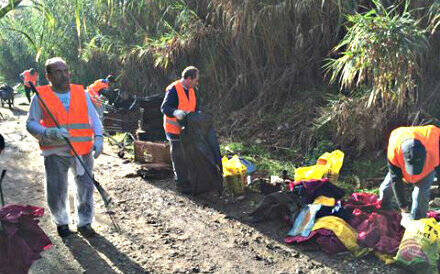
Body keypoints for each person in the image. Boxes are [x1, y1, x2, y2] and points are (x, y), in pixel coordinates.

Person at [26, 57, 103, 238]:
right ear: (48, 76)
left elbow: (95, 119)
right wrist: (48, 132)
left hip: (82, 151)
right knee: (56, 189)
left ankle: (85, 223)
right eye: (58, 72)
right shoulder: (40, 97)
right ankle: (62, 223)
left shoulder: (81, 93)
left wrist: (98, 138)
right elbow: (30, 123)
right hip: (55, 152)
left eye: (66, 71)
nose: (64, 75)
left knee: (85, 188)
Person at [379, 125, 440, 223]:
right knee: (387, 187)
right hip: (400, 166)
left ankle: (417, 222)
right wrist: (404, 208)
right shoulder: (394, 150)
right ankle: (382, 207)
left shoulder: (436, 143)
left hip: (428, 168)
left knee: (421, 194)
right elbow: (396, 180)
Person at [161, 66, 200, 194]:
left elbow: (197, 107)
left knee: (188, 154)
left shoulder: (193, 90)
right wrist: (175, 112)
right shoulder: (173, 89)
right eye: (195, 80)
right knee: (178, 156)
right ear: (188, 79)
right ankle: (181, 183)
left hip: (188, 129)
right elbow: (164, 108)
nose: (197, 83)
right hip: (173, 128)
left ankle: (190, 179)